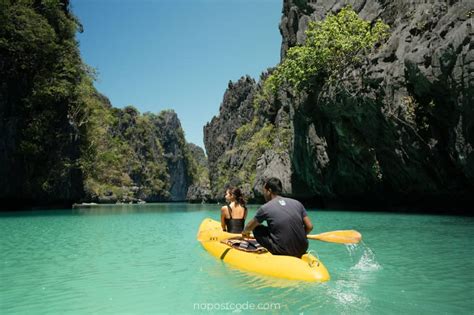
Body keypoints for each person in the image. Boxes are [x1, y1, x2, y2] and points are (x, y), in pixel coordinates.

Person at [241, 178, 313, 258]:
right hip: (302, 248)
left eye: (264, 191)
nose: (263, 194)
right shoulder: (297, 203)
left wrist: (244, 232)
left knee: (256, 228)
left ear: (269, 191)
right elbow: (310, 227)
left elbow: (249, 227)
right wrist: (301, 235)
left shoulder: (265, 208)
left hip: (282, 250)